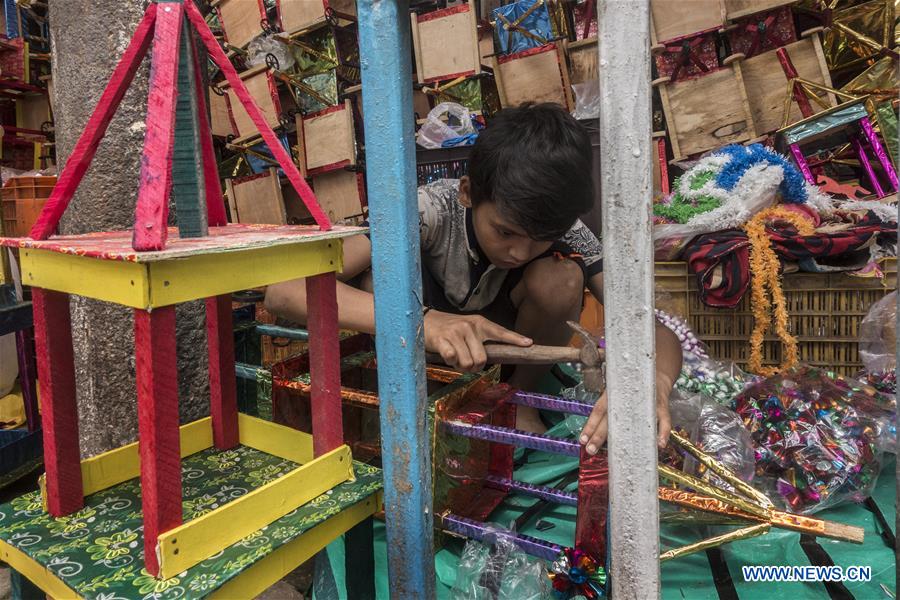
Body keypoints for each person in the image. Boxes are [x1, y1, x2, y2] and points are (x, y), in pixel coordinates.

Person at [265, 102, 681, 453]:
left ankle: (518, 398)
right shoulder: (427, 210)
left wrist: (657, 379)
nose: (519, 252)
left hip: (499, 364)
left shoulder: (568, 232)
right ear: (467, 192)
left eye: (540, 239)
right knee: (382, 269)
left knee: (561, 279)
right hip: (410, 360)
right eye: (505, 232)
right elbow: (284, 290)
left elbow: (653, 322)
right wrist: (420, 321)